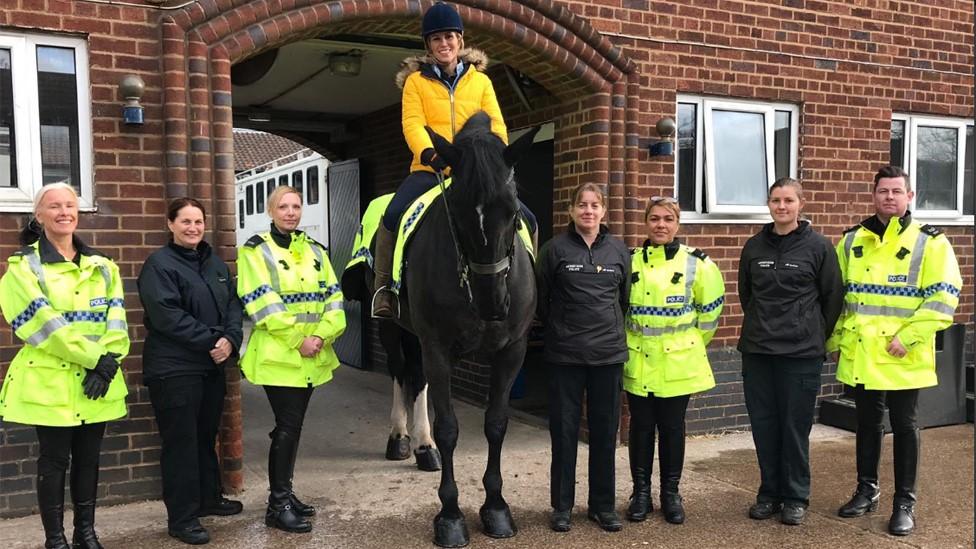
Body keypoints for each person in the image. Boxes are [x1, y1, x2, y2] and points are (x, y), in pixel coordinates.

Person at [371, 1, 536, 318]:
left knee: (527, 218)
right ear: (428, 45)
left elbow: (496, 124)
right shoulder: (415, 83)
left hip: (478, 174)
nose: (443, 44)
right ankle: (386, 289)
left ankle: (529, 287)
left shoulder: (481, 82)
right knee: (392, 215)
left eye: (449, 37)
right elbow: (412, 124)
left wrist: (495, 162)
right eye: (436, 39)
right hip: (430, 168)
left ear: (460, 40)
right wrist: (429, 153)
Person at [828, 165, 961, 536]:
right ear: (874, 195)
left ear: (909, 197)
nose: (889, 197)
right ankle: (867, 490)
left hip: (903, 353)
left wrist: (911, 337)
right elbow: (838, 297)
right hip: (862, 353)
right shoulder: (851, 240)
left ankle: (905, 502)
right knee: (867, 424)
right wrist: (834, 340)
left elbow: (943, 299)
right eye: (883, 191)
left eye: (897, 191)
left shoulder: (931, 242)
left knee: (904, 426)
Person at [0, 182, 129, 549]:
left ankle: (86, 533)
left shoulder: (103, 267)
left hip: (97, 380)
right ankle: (55, 540)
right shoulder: (23, 268)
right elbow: (43, 326)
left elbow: (117, 321)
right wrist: (96, 360)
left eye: (70, 205)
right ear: (39, 216)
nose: (63, 212)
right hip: (51, 384)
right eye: (54, 206)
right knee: (54, 461)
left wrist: (108, 362)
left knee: (89, 460)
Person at [237, 186, 346, 534]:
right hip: (279, 357)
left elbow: (334, 297)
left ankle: (285, 493)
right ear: (271, 211)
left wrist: (322, 336)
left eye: (296, 206)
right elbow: (262, 304)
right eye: (283, 206)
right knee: (287, 426)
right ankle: (277, 505)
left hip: (312, 354)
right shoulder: (255, 251)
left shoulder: (315, 250)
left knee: (292, 427)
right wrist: (300, 339)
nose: (290, 212)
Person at [137, 198, 244, 545]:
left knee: (204, 436)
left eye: (198, 221)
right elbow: (166, 315)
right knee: (180, 443)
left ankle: (208, 498)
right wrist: (214, 341)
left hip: (210, 366)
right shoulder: (159, 265)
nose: (193, 227)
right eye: (185, 221)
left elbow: (232, 305)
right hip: (174, 369)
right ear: (170, 224)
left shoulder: (214, 263)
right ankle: (182, 518)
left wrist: (230, 338)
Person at [737, 179, 844, 526]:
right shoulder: (754, 247)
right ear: (768, 204)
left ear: (801, 204)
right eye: (775, 200)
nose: (781, 206)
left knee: (794, 428)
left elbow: (832, 298)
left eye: (788, 200)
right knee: (764, 426)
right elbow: (746, 295)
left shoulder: (819, 247)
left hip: (801, 354)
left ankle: (796, 496)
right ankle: (769, 493)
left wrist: (811, 332)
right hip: (758, 350)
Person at [623, 196, 725, 526]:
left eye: (668, 219)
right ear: (646, 222)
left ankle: (670, 494)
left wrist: (688, 344)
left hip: (677, 364)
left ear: (677, 223)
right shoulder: (629, 261)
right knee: (639, 429)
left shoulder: (698, 264)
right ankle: (640, 493)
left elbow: (710, 316)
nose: (661, 225)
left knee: (672, 429)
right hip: (637, 360)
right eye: (654, 218)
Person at [536, 183, 630, 533]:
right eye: (582, 205)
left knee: (606, 434)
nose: (588, 211)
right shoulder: (554, 250)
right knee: (563, 433)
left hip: (607, 356)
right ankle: (562, 507)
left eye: (595, 205)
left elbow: (623, 300)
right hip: (565, 355)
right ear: (571, 211)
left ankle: (602, 507)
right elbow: (542, 300)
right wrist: (562, 328)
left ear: (603, 211)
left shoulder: (619, 251)